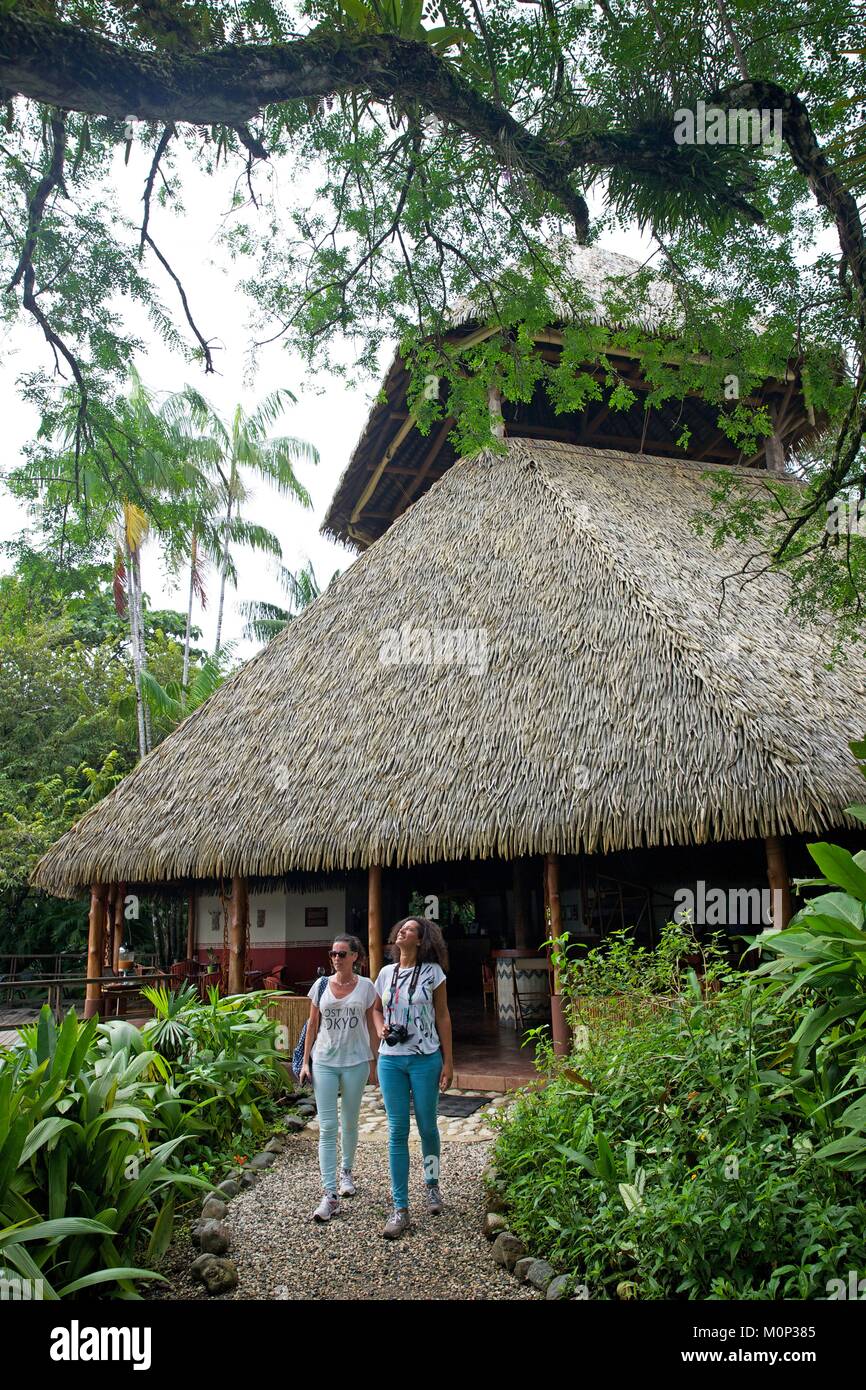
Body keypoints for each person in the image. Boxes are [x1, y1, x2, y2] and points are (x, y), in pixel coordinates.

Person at [372, 916, 454, 1239]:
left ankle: (432, 1185)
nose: (401, 932)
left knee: (427, 1126)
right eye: (399, 929)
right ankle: (400, 1207)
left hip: (425, 1059)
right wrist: (380, 1028)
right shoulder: (385, 973)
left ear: (420, 941)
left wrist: (449, 1061)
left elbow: (443, 1015)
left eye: (409, 930)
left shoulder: (433, 973)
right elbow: (376, 1009)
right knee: (396, 1131)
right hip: (390, 1060)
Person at [300, 935, 379, 1222]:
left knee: (349, 1120)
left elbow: (373, 1025)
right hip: (324, 1061)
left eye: (342, 954)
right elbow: (312, 1025)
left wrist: (375, 1060)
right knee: (328, 1126)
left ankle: (347, 1171)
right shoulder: (320, 986)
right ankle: (329, 1193)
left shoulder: (367, 988)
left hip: (356, 1061)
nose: (336, 958)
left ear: (355, 957)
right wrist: (306, 1062)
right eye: (333, 953)